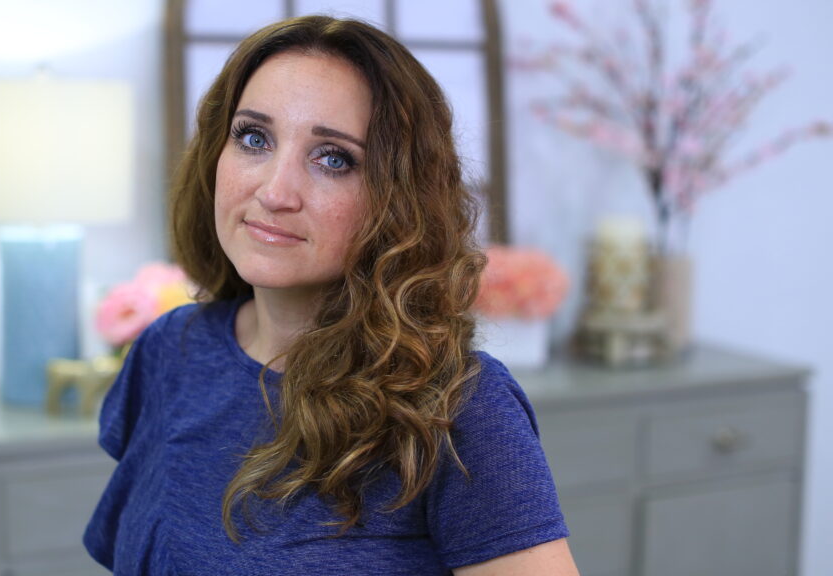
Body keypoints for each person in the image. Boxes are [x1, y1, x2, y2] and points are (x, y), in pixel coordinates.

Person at [84, 15, 579, 576]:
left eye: (334, 158)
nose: (275, 192)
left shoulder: (460, 408)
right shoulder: (169, 351)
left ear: (398, 202)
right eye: (253, 137)